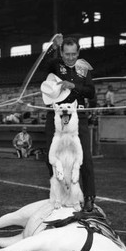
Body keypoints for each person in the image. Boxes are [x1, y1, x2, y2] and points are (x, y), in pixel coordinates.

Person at [42, 34, 97, 212]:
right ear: (62, 53)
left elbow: (91, 92)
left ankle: (89, 197)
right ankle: (60, 193)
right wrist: (53, 46)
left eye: (73, 54)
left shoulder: (84, 68)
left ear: (78, 52)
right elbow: (46, 66)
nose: (70, 57)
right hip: (56, 116)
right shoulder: (56, 65)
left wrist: (75, 87)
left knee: (85, 158)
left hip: (77, 117)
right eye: (67, 54)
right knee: (51, 155)